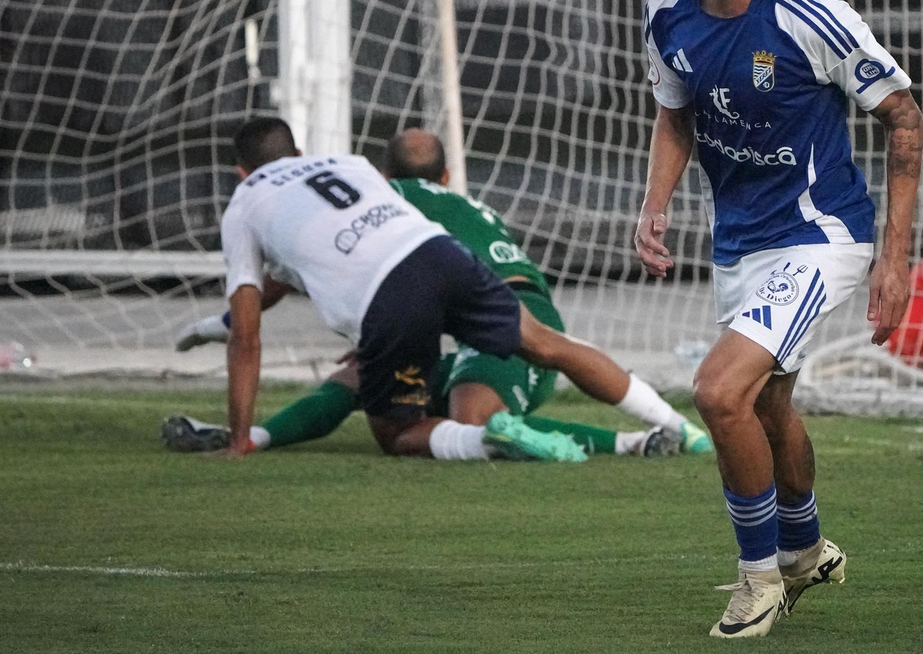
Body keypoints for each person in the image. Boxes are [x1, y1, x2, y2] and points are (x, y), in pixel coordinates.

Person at [634, 0, 923, 637]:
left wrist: (893, 262)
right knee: (767, 404)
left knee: (719, 391)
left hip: (822, 235)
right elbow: (675, 110)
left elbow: (904, 116)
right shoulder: (664, 3)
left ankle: (758, 578)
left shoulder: (811, 16)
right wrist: (654, 204)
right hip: (740, 241)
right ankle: (802, 545)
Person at [174, 117, 700, 464]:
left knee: (395, 431)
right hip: (444, 257)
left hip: (388, 293)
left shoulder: (244, 203)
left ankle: (487, 438)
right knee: (550, 345)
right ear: (301, 151)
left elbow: (247, 334)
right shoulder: (350, 165)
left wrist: (237, 433)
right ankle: (679, 427)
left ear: (241, 172)